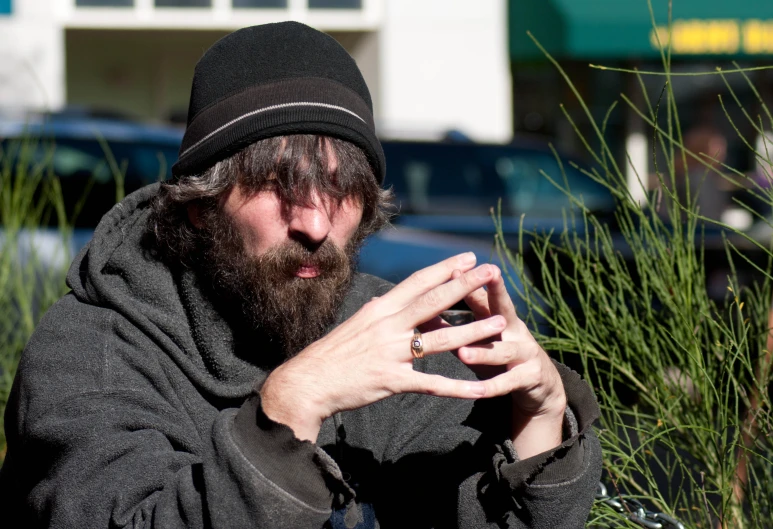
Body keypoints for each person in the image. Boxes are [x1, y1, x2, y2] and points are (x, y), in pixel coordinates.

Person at [0, 22, 601, 528]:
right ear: (199, 208)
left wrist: (539, 423)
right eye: (276, 186)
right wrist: (287, 412)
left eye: (342, 188)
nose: (315, 222)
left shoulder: (388, 333)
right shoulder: (93, 351)